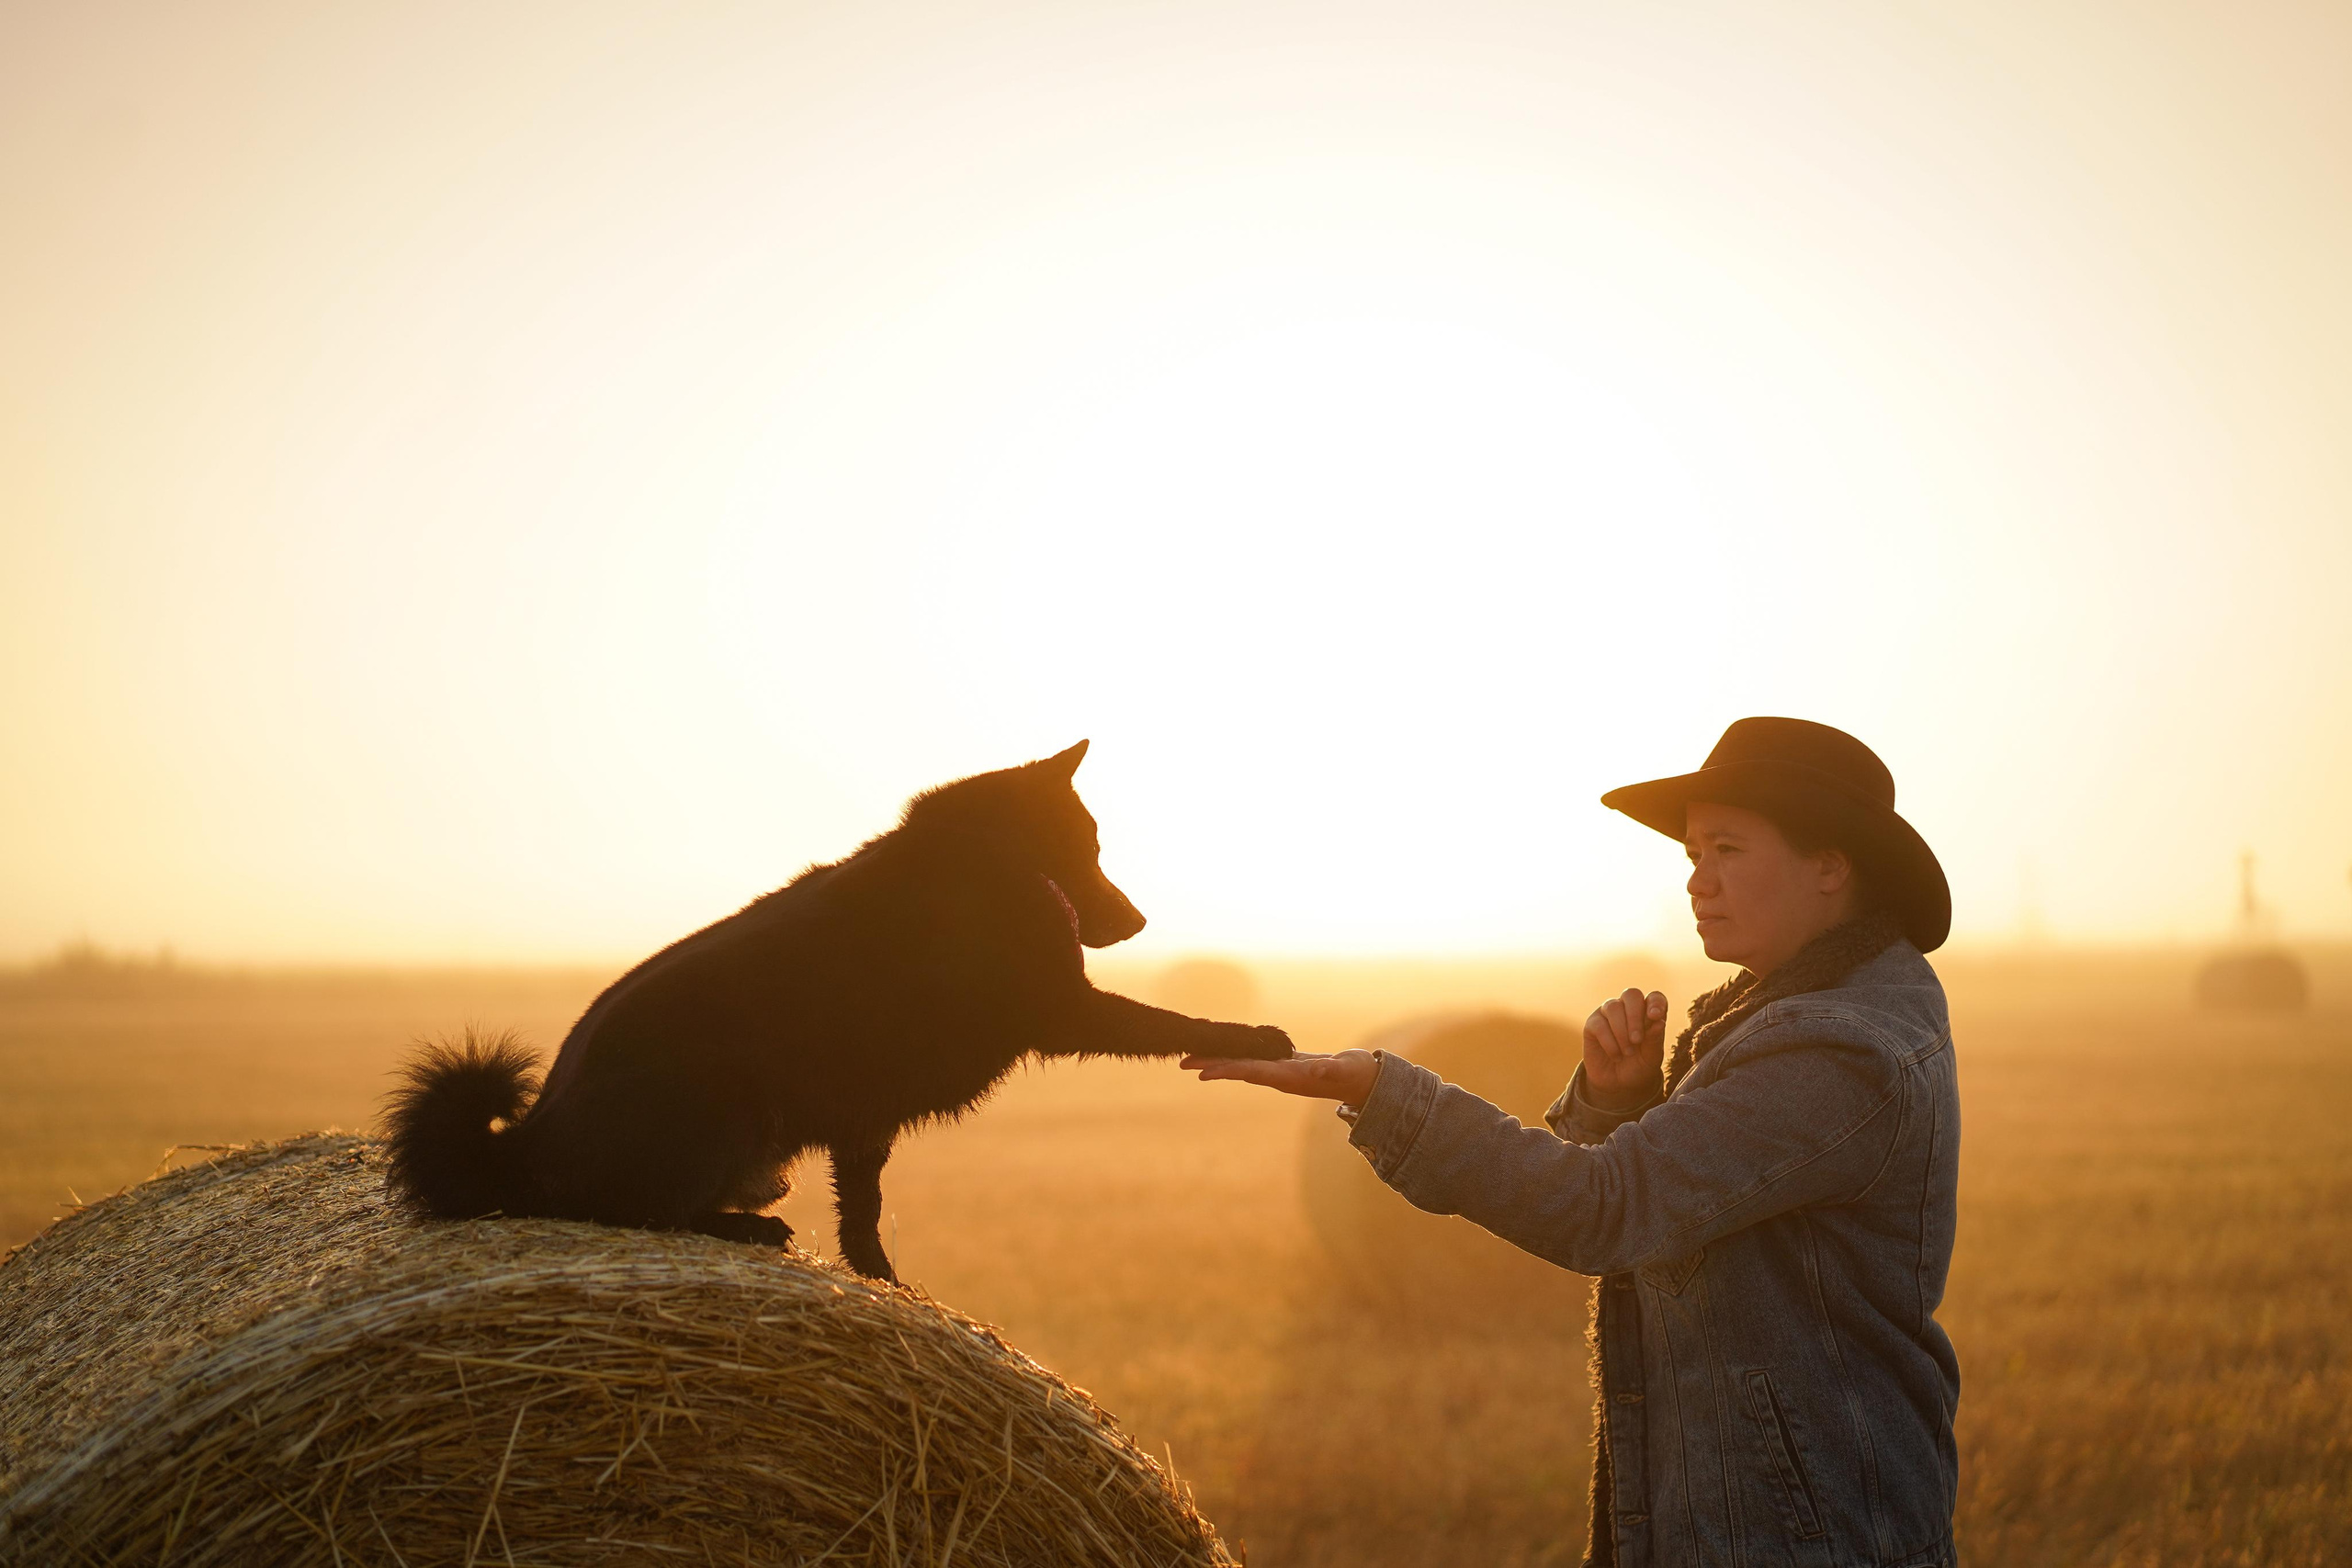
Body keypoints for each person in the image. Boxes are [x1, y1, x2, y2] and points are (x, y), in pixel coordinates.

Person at [1187, 717, 1961, 1568]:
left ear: (1830, 866)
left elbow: (1606, 1209)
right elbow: (1692, 1215)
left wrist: (1380, 1092)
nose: (1699, 882)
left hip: (1807, 1536)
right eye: (1694, 855)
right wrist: (1623, 1107)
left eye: (1729, 849)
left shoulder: (1835, 1050)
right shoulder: (1795, 1013)